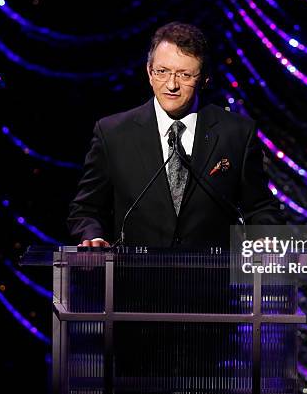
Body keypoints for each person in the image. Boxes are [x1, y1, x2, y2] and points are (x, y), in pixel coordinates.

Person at [68, 22, 280, 248]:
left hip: (211, 278)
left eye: (185, 75)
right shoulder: (113, 133)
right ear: (149, 72)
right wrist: (93, 237)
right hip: (136, 278)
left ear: (204, 79)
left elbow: (259, 207)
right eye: (162, 71)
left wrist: (265, 238)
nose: (171, 85)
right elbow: (87, 209)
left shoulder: (236, 133)